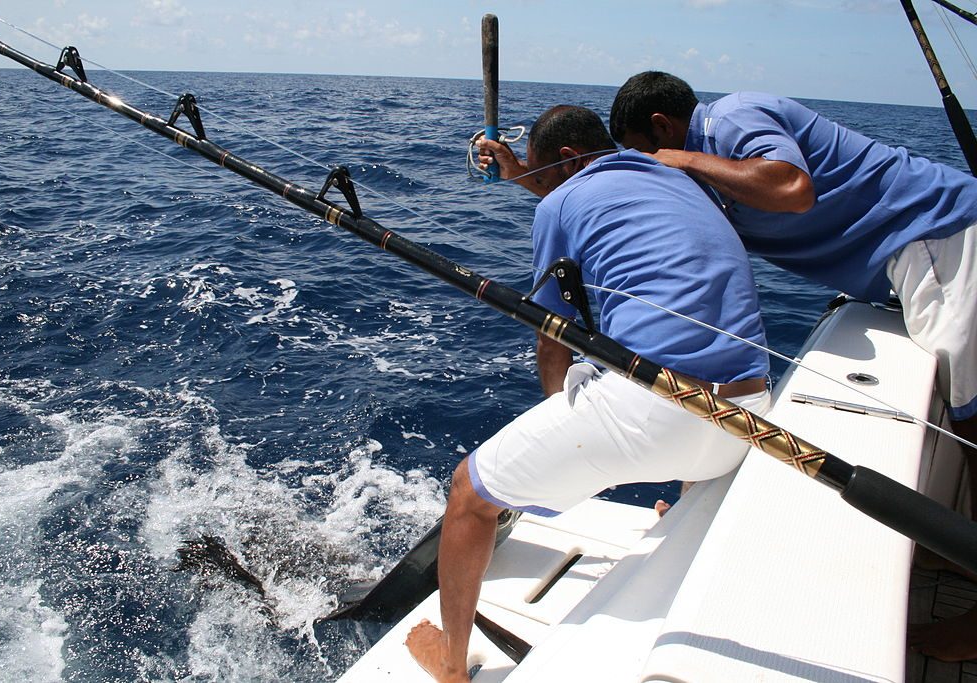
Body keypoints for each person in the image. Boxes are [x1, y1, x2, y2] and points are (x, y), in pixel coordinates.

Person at [607, 71, 977, 663]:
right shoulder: (712, 176)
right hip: (913, 264)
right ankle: (962, 547)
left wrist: (682, 158)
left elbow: (790, 187)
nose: (656, 168)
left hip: (943, 238)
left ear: (663, 129)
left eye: (648, 153)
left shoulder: (730, 118)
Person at [405, 105, 770, 682]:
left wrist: (561, 431)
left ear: (570, 160)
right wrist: (524, 173)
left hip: (655, 417)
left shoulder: (556, 202)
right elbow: (586, 200)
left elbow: (553, 340)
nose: (540, 188)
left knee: (470, 491)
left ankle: (450, 664)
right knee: (684, 352)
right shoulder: (678, 178)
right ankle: (676, 500)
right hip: (745, 419)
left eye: (542, 174)